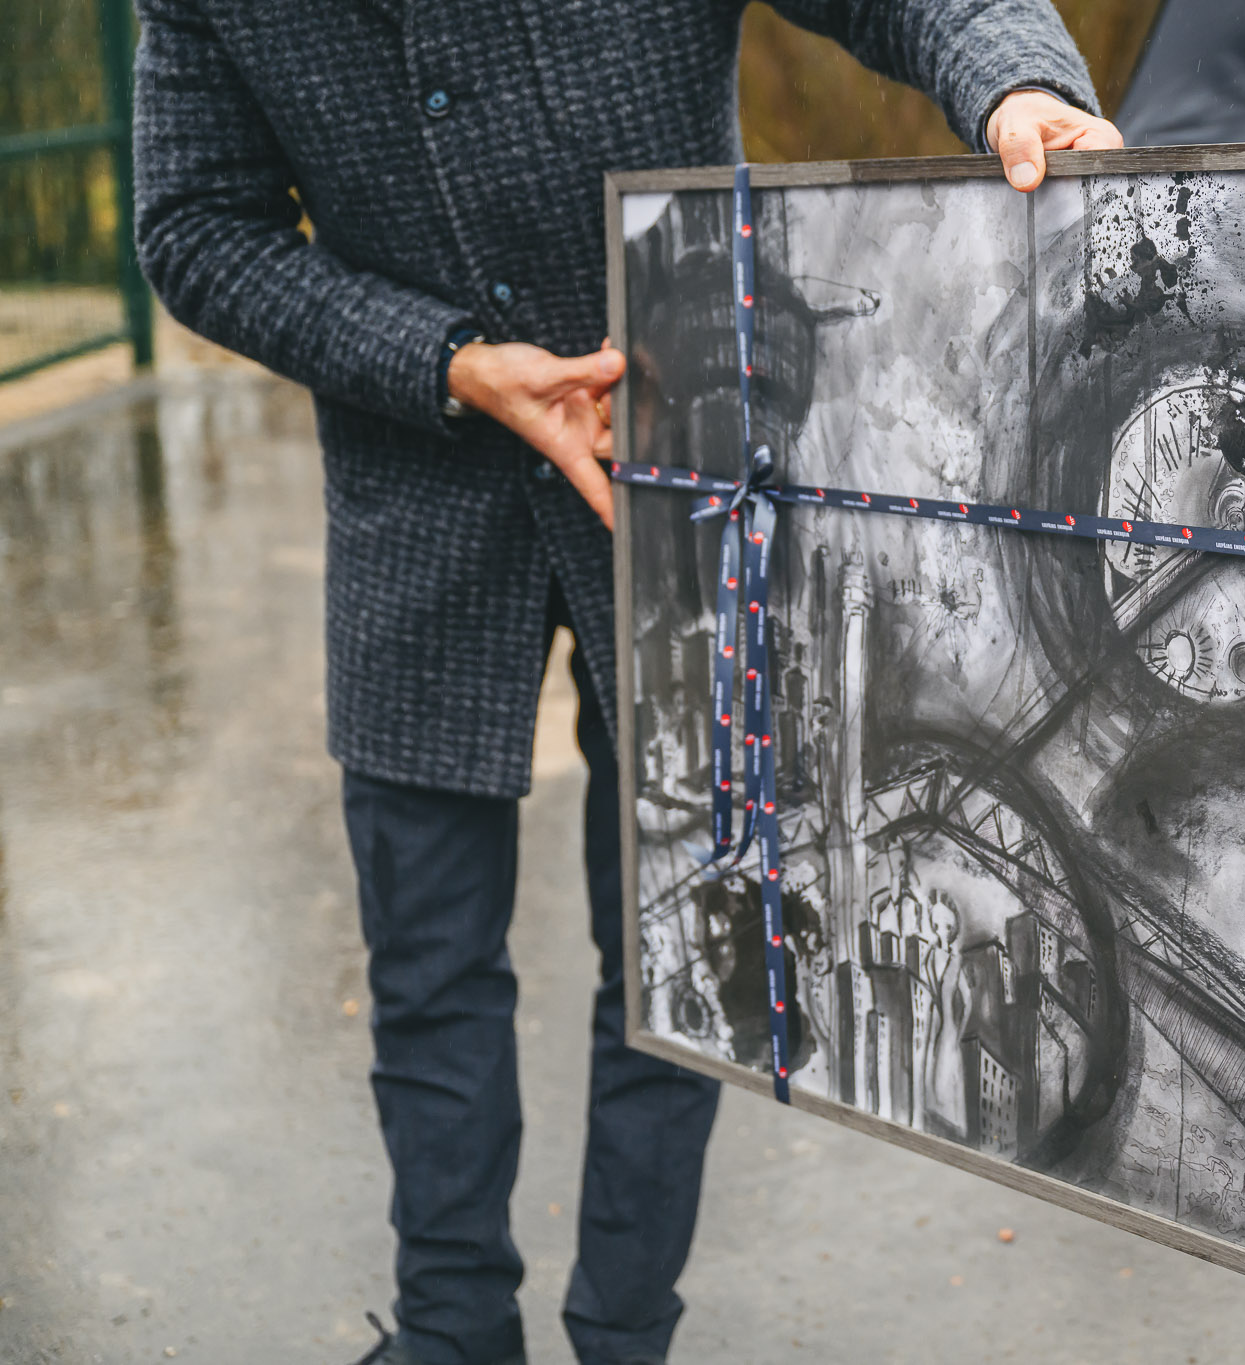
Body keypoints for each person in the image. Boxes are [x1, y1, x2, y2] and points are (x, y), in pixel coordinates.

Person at [128, 4, 1120, 1363]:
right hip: (413, 499)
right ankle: (450, 1337)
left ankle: (624, 1337)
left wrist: (1013, 81)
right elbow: (196, 228)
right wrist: (444, 363)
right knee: (426, 967)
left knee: (683, 951)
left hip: (693, 466)